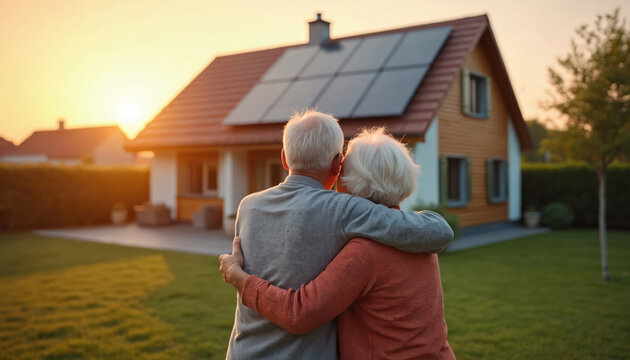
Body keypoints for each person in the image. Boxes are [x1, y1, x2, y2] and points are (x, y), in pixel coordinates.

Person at [224, 111, 453, 359]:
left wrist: (241, 279)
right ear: (335, 163)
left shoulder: (248, 205)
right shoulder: (416, 243)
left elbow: (300, 313)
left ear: (284, 158)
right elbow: (437, 231)